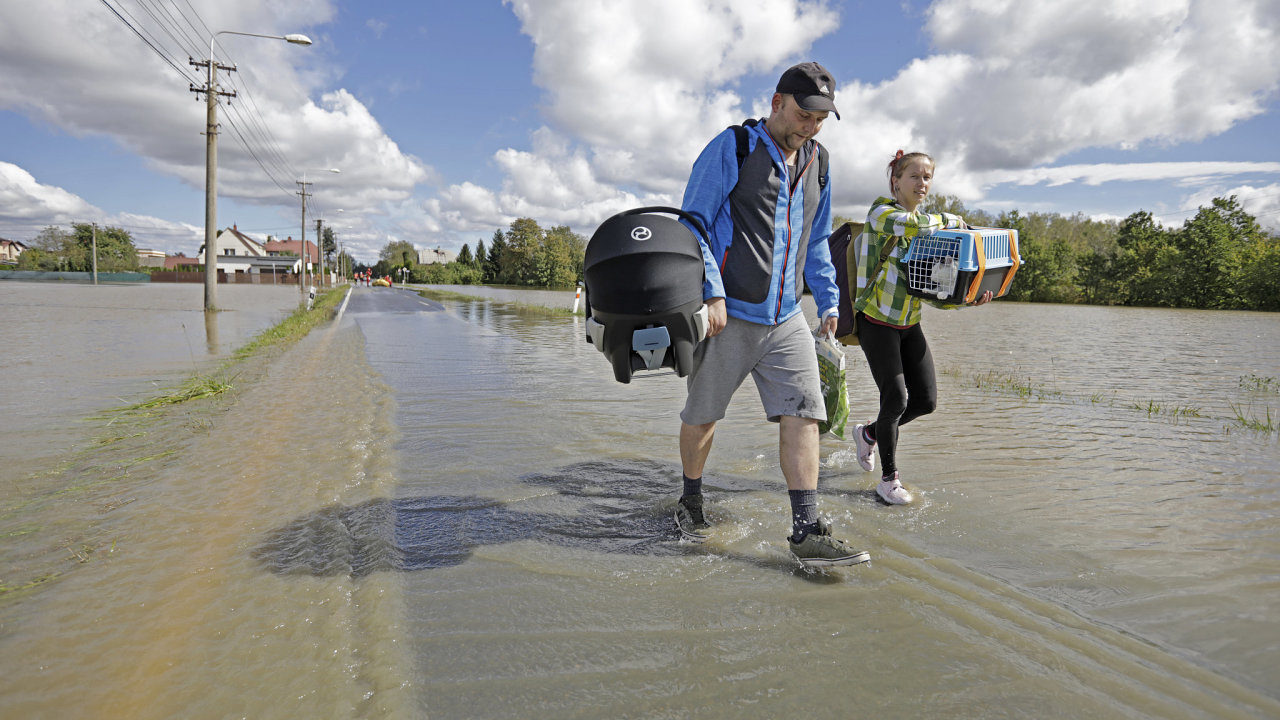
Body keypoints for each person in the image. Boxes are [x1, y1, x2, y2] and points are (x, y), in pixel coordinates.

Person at [674, 61, 869, 567]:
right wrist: (710, 293)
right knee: (702, 417)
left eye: (821, 119)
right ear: (778, 102)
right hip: (729, 313)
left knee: (805, 412)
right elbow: (692, 223)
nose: (811, 126)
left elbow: (818, 239)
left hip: (787, 317)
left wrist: (828, 300)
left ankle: (806, 530)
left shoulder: (819, 163)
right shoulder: (733, 148)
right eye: (805, 114)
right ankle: (691, 499)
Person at [851, 150, 993, 504]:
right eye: (915, 176)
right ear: (896, 181)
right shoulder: (881, 213)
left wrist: (967, 298)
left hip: (908, 324)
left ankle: (868, 433)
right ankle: (888, 480)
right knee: (896, 399)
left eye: (928, 177)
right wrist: (948, 218)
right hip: (875, 321)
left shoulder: (930, 230)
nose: (922, 183)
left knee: (926, 402)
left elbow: (934, 287)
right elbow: (910, 224)